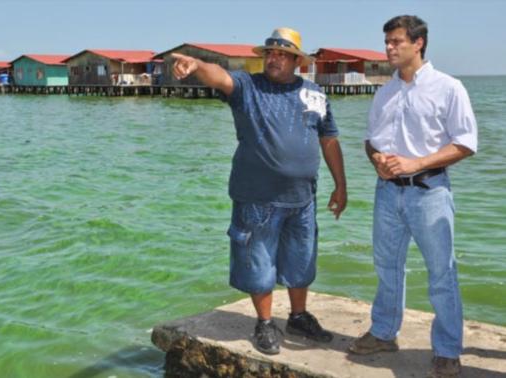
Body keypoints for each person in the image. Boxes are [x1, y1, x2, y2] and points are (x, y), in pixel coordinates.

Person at [171, 27, 347, 355]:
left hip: (303, 198)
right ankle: (265, 323)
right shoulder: (248, 87)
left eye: (282, 54)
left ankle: (298, 316)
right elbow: (220, 77)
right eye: (270, 53)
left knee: (301, 261)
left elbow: (329, 139)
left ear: (296, 60)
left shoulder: (315, 94)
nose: (274, 59)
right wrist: (196, 65)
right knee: (258, 263)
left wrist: (341, 185)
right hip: (257, 198)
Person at [347, 15, 478, 378]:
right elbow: (371, 140)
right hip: (386, 193)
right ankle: (384, 333)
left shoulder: (448, 87)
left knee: (442, 273)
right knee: (387, 267)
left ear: (418, 43)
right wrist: (376, 159)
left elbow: (466, 143)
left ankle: (448, 350)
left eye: (396, 42)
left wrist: (416, 163)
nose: (389, 48)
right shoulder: (385, 91)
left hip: (430, 192)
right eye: (387, 42)